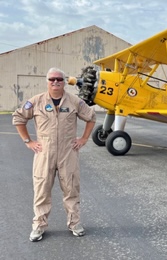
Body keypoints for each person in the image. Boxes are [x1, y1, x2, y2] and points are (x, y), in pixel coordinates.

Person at [12, 67, 96, 242]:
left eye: (59, 79)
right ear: (47, 81)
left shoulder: (74, 102)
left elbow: (91, 117)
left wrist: (84, 138)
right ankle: (39, 226)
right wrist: (28, 141)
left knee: (71, 189)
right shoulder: (36, 101)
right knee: (42, 191)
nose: (55, 82)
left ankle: (75, 223)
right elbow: (18, 118)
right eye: (52, 79)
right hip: (44, 153)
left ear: (64, 81)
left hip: (68, 152)